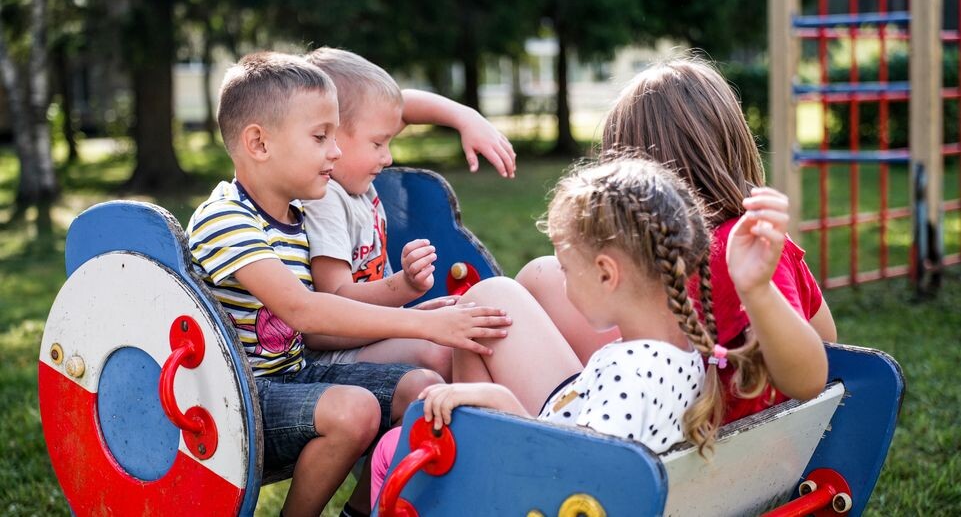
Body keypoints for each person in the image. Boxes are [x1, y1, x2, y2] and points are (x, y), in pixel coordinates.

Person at [185, 51, 512, 517]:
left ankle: (363, 510)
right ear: (258, 143)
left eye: (336, 136)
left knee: (422, 388)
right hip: (239, 398)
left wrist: (410, 312)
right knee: (354, 410)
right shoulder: (225, 219)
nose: (335, 151)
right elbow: (304, 310)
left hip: (293, 376)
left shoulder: (296, 213)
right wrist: (427, 329)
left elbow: (378, 101)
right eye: (321, 137)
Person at [371, 156, 767, 506]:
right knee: (483, 315)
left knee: (392, 450)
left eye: (566, 268)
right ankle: (472, 430)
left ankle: (471, 441)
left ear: (606, 274)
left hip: (534, 489)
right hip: (555, 434)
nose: (562, 282)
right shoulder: (684, 351)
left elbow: (571, 478)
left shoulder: (629, 371)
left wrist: (500, 402)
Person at [517, 55, 832, 424]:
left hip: (667, 435)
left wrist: (758, 293)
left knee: (503, 297)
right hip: (679, 416)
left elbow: (812, 378)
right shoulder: (748, 245)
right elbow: (828, 336)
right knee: (544, 277)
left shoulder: (733, 256)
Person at [301, 47, 516, 381]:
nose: (388, 158)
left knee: (472, 326)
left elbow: (400, 105)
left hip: (379, 331)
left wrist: (466, 118)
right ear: (330, 134)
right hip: (337, 355)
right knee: (444, 351)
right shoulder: (326, 200)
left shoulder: (352, 178)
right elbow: (335, 304)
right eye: (378, 144)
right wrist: (404, 288)